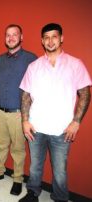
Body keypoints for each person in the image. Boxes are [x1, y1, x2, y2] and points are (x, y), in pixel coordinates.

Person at [19, 23, 91, 202]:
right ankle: (32, 193)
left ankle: (60, 197)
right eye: (46, 37)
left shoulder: (75, 64)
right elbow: (26, 95)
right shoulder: (33, 66)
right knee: (35, 166)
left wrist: (76, 122)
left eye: (54, 36)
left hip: (62, 129)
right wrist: (25, 121)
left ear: (61, 38)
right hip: (36, 127)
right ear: (42, 41)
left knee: (60, 170)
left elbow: (85, 94)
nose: (50, 41)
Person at [0, 24, 37, 196]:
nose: (11, 38)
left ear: (21, 37)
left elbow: (36, 85)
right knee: (0, 144)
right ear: (5, 38)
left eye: (15, 34)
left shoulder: (31, 59)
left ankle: (17, 179)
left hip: (18, 113)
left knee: (18, 149)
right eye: (8, 35)